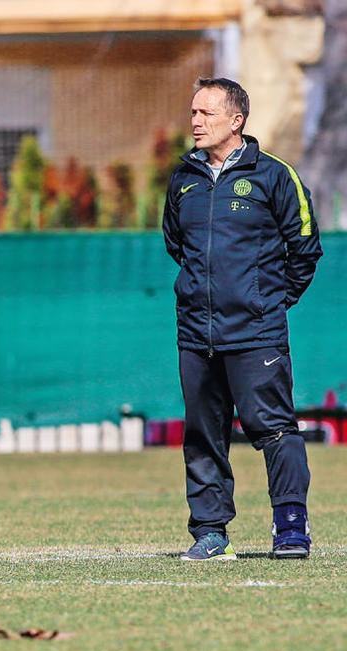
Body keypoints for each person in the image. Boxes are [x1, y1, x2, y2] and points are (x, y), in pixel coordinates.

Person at [163, 77, 323, 561]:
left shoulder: (275, 176)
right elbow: (178, 245)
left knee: (275, 430)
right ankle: (210, 532)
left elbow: (305, 250)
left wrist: (267, 301)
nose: (195, 121)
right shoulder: (182, 180)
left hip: (257, 332)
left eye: (206, 113)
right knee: (203, 435)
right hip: (197, 333)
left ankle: (291, 528)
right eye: (193, 112)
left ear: (237, 121)